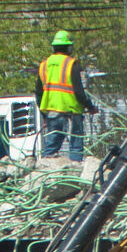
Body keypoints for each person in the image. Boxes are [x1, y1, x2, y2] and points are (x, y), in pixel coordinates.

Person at [37, 31, 100, 163]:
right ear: (69, 47)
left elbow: (38, 93)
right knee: (76, 146)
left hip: (52, 112)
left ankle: (45, 172)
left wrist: (43, 115)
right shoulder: (72, 64)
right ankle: (75, 174)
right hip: (72, 112)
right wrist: (90, 106)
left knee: (51, 146)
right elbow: (78, 91)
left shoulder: (44, 65)